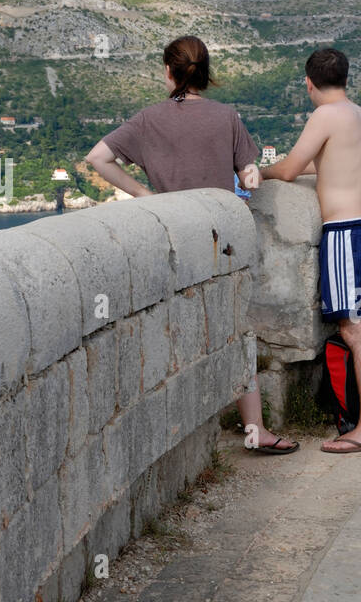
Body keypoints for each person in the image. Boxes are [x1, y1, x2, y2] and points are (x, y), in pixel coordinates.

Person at [85, 35, 298, 456]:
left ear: (168, 71)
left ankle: (178, 444)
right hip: (223, 241)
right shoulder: (227, 117)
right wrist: (245, 179)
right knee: (234, 332)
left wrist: (147, 198)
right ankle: (255, 429)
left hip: (173, 237)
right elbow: (250, 174)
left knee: (175, 335)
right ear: (205, 74)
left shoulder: (147, 120)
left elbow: (97, 158)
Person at [261, 47, 361, 454]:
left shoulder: (324, 115)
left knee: (354, 327)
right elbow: (332, 163)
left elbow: (291, 169)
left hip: (346, 233)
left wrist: (257, 171)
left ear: (309, 83)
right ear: (346, 78)